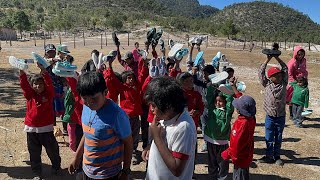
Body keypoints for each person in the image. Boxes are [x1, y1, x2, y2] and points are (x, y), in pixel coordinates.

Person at [68, 71, 133, 180]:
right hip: (87, 170)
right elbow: (88, 134)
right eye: (85, 98)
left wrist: (126, 171)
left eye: (94, 98)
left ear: (105, 92)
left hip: (109, 174)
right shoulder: (86, 107)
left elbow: (128, 143)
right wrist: (77, 158)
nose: (89, 103)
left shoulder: (117, 115)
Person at [142, 77, 197, 180]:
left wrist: (156, 137)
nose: (151, 109)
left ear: (169, 106)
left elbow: (177, 169)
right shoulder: (167, 116)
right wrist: (150, 147)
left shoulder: (184, 128)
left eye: (154, 106)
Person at [19, 63, 61, 179]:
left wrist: (44, 71)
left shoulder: (49, 94)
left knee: (52, 150)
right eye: (35, 84)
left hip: (46, 129)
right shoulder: (30, 95)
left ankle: (56, 167)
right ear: (32, 86)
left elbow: (50, 85)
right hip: (31, 128)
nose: (38, 86)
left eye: (40, 84)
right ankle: (37, 171)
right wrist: (22, 73)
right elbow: (25, 86)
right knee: (34, 152)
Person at [105, 55, 149, 165]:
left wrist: (143, 63)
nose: (131, 79)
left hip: (135, 117)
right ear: (124, 80)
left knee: (135, 135)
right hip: (126, 117)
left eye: (132, 77)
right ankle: (124, 152)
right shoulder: (123, 88)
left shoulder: (137, 87)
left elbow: (142, 75)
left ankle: (133, 152)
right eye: (128, 78)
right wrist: (110, 66)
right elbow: (113, 80)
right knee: (126, 134)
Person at [204, 77, 241, 179]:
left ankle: (222, 177)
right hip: (211, 140)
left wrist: (225, 90)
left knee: (223, 162)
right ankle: (212, 176)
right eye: (216, 101)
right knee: (212, 161)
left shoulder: (227, 112)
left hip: (222, 142)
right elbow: (209, 97)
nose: (218, 103)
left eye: (220, 101)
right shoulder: (212, 109)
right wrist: (212, 86)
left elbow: (229, 100)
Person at [258, 55, 288, 166]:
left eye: (280, 75)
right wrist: (268, 59)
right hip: (270, 117)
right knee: (269, 137)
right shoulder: (267, 84)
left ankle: (277, 156)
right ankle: (268, 156)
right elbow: (261, 72)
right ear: (270, 77)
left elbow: (285, 68)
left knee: (278, 136)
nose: (279, 77)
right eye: (276, 76)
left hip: (280, 116)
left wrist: (277, 57)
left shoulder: (283, 84)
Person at [221, 94, 256, 180]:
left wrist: (228, 154)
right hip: (246, 155)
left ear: (239, 110)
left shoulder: (241, 124)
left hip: (240, 158)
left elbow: (236, 144)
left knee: (239, 176)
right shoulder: (251, 118)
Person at [287, 46, 308, 119]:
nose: (300, 56)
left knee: (301, 97)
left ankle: (299, 114)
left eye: (302, 54)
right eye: (299, 54)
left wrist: (305, 78)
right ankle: (292, 114)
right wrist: (294, 82)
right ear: (296, 54)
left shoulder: (304, 60)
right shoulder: (292, 62)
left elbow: (304, 69)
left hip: (302, 81)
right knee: (292, 98)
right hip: (294, 82)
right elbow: (289, 73)